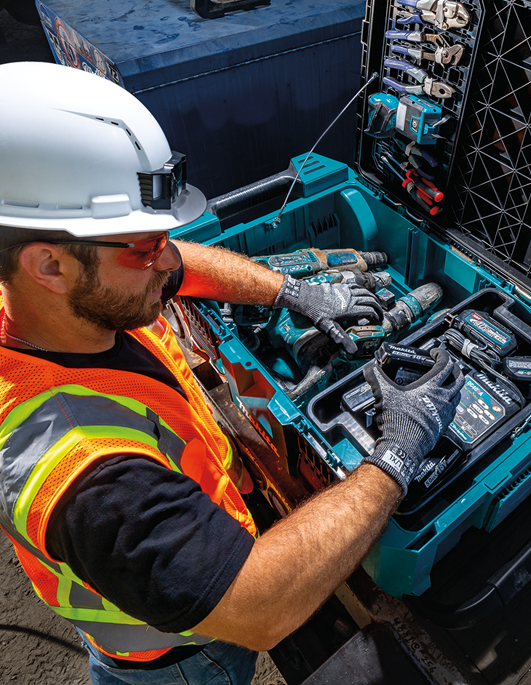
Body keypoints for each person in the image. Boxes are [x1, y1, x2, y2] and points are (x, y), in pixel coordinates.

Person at [0, 62, 464, 684]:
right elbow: (258, 609)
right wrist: (397, 454)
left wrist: (291, 291)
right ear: (49, 265)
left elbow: (176, 263)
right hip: (182, 657)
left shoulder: (55, 296)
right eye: (145, 248)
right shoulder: (87, 474)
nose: (167, 259)